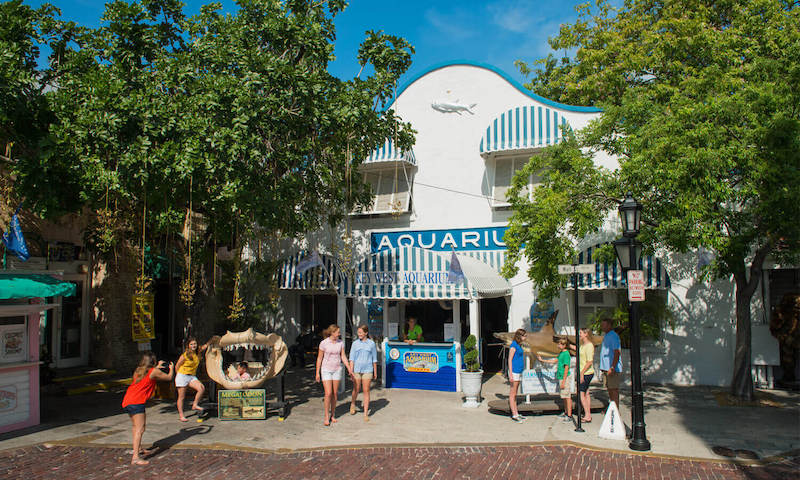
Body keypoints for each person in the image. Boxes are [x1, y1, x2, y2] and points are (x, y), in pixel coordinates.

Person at [121, 352, 174, 465]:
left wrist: (157, 367)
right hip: (137, 402)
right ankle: (135, 457)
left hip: (128, 400)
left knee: (137, 427)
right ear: (153, 362)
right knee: (140, 429)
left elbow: (148, 374)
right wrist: (171, 368)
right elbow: (169, 377)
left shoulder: (139, 370)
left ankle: (138, 449)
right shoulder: (154, 371)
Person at [315, 324, 355, 426]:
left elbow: (343, 356)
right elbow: (319, 358)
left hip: (337, 369)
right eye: (338, 332)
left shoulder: (340, 343)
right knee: (328, 393)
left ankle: (333, 414)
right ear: (332, 333)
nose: (339, 333)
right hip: (326, 369)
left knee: (334, 393)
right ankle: (326, 416)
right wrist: (317, 372)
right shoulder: (324, 343)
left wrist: (349, 368)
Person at [175, 337, 210, 422]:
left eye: (194, 344)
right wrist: (179, 377)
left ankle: (195, 404)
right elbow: (177, 366)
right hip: (182, 375)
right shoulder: (185, 355)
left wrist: (213, 339)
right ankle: (181, 415)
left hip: (191, 376)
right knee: (182, 397)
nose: (193, 345)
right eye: (191, 344)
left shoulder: (198, 352)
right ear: (188, 346)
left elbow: (206, 345)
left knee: (201, 388)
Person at [538, 338, 574, 421]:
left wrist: (564, 381)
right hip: (560, 376)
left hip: (564, 377)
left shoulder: (566, 354)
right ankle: (566, 412)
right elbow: (555, 361)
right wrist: (542, 360)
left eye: (560, 344)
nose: (558, 345)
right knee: (564, 396)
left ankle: (569, 415)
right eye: (558, 344)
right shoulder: (561, 353)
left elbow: (566, 368)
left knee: (567, 396)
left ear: (564, 345)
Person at [349, 324, 378, 422]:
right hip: (356, 369)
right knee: (356, 389)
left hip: (368, 369)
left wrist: (375, 371)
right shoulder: (355, 344)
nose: (359, 334)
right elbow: (351, 358)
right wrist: (351, 371)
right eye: (358, 332)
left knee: (366, 390)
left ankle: (365, 413)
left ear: (366, 333)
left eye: (361, 332)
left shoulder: (371, 344)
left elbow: (374, 359)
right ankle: (353, 403)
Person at [599, 318, 622, 407]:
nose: (602, 327)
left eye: (604, 325)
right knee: (609, 389)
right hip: (606, 368)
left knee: (614, 390)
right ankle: (611, 408)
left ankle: (616, 410)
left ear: (609, 325)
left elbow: (617, 352)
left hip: (612, 368)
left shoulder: (613, 336)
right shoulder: (606, 336)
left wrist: (612, 367)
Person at [508, 328, 527, 422]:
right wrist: (510, 374)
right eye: (524, 336)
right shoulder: (513, 345)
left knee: (515, 393)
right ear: (520, 336)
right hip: (514, 371)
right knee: (513, 393)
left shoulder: (520, 345)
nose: (525, 337)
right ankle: (514, 414)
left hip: (519, 371)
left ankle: (516, 412)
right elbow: (510, 360)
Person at [578, 328, 595, 422]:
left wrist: (582, 373)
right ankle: (588, 413)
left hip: (586, 373)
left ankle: (587, 415)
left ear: (586, 334)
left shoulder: (589, 346)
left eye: (580, 333)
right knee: (586, 393)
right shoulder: (583, 345)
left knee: (582, 394)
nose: (579, 334)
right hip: (584, 372)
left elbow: (589, 361)